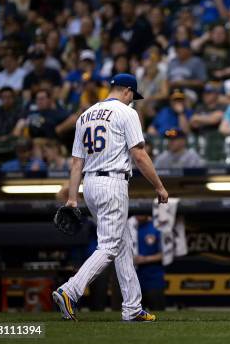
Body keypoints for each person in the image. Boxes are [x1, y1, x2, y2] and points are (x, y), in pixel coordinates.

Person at [53, 73, 168, 322]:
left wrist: (73, 198)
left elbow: (76, 163)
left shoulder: (85, 115)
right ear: (126, 90)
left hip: (90, 184)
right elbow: (139, 155)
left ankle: (132, 308)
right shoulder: (126, 113)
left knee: (122, 243)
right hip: (112, 181)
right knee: (110, 245)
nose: (132, 100)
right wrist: (159, 186)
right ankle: (69, 291)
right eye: (132, 96)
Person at [131, 215, 166, 311]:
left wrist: (145, 259)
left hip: (153, 278)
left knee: (158, 314)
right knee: (135, 317)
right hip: (133, 280)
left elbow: (165, 253)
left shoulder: (156, 226)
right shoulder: (129, 226)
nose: (140, 214)